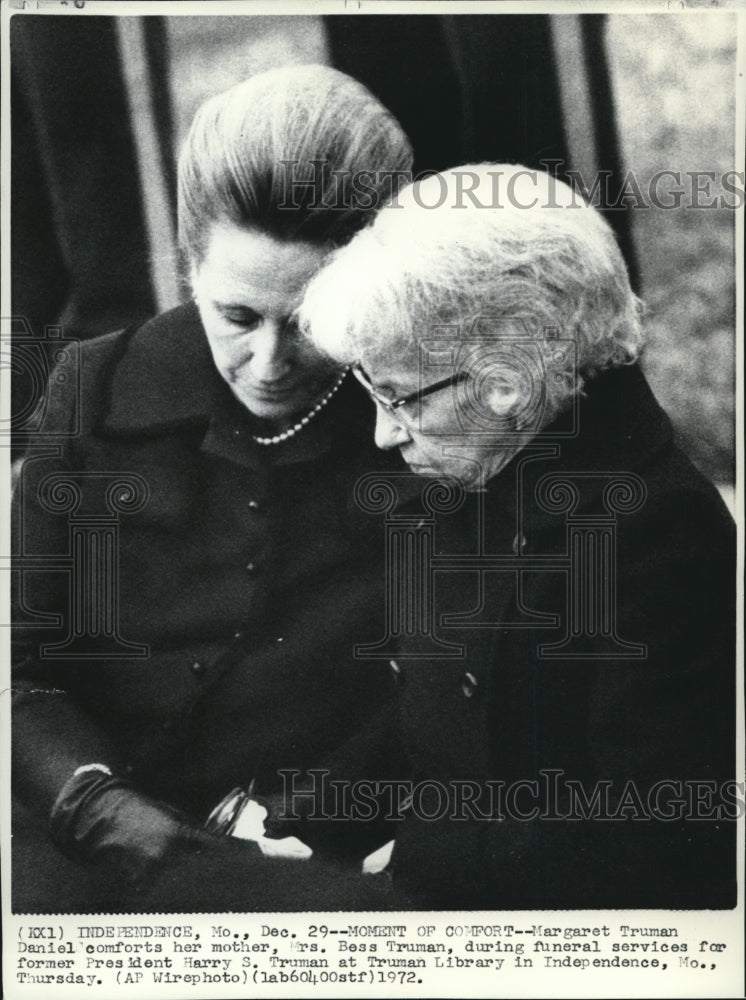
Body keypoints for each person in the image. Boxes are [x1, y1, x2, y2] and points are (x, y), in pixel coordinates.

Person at [11, 64, 415, 913]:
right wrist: (103, 813)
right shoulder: (88, 391)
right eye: (237, 316)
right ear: (189, 266)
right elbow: (19, 668)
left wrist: (326, 810)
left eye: (309, 322)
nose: (270, 365)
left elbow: (461, 671)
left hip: (321, 855)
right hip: (81, 834)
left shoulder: (416, 423)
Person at [298, 164, 737, 908]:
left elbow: (657, 851)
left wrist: (410, 863)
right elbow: (433, 720)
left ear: (504, 379)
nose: (381, 434)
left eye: (398, 397)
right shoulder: (480, 462)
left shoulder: (656, 535)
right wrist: (305, 830)